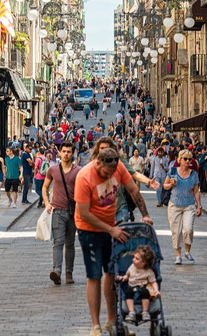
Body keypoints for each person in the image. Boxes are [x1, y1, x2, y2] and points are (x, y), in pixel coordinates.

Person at [75, 148, 152, 336]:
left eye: (112, 173)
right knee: (94, 275)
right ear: (98, 163)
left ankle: (112, 321)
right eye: (105, 173)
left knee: (112, 273)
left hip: (112, 227)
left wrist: (146, 215)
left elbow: (134, 191)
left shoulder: (118, 168)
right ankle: (96, 326)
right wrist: (111, 229)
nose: (109, 176)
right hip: (89, 229)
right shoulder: (84, 176)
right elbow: (84, 213)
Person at [43, 142, 81, 285]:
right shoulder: (53, 170)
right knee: (57, 243)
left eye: (69, 152)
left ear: (73, 154)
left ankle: (69, 273)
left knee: (70, 244)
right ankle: (57, 271)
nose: (66, 154)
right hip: (57, 211)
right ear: (59, 152)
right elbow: (45, 187)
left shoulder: (78, 171)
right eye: (63, 151)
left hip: (73, 212)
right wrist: (47, 203)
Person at [163, 150, 201, 264]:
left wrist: (199, 206)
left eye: (190, 159)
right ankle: (178, 255)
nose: (188, 161)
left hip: (189, 205)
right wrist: (170, 184)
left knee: (188, 229)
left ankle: (187, 251)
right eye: (185, 159)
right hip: (175, 204)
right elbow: (165, 186)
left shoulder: (193, 174)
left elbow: (196, 191)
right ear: (180, 160)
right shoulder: (173, 171)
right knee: (176, 231)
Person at [116, 245, 159, 323]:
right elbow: (127, 275)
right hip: (131, 287)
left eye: (136, 258)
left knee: (145, 292)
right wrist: (123, 278)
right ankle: (131, 312)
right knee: (128, 292)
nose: (133, 259)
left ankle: (145, 312)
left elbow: (153, 282)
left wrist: (156, 290)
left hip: (143, 287)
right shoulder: (132, 266)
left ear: (143, 262)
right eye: (134, 257)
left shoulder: (149, 271)